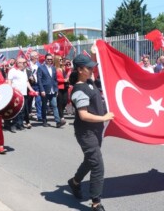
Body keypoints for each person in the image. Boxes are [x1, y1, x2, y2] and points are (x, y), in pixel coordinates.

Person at [67, 54, 114, 211]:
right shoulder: (79, 90)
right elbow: (83, 115)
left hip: (95, 130)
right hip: (86, 133)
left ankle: (74, 182)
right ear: (80, 70)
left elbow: (96, 66)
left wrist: (95, 52)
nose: (92, 69)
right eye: (88, 67)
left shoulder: (89, 81)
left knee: (90, 160)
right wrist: (104, 117)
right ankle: (96, 203)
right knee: (97, 166)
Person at [37, 53, 66, 128]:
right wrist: (42, 90)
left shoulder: (53, 68)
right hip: (45, 90)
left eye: (51, 59)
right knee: (44, 106)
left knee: (54, 105)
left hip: (53, 90)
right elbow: (39, 80)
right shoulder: (41, 68)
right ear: (45, 59)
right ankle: (44, 120)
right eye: (48, 59)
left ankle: (58, 122)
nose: (49, 61)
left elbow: (55, 80)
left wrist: (56, 89)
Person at [7, 57, 35, 130]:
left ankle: (20, 124)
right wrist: (10, 92)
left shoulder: (23, 71)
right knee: (16, 110)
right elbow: (9, 81)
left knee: (22, 110)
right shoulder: (12, 71)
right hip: (16, 94)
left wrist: (32, 90)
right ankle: (13, 124)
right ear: (18, 63)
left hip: (24, 93)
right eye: (23, 62)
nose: (25, 64)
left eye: (25, 62)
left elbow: (26, 82)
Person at [55, 55, 69, 122]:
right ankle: (61, 116)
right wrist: (64, 80)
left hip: (65, 87)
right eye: (60, 60)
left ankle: (60, 113)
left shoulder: (62, 68)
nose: (61, 61)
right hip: (59, 88)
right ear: (57, 61)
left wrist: (67, 79)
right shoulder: (55, 69)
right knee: (60, 102)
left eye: (61, 60)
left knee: (65, 101)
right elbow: (55, 79)